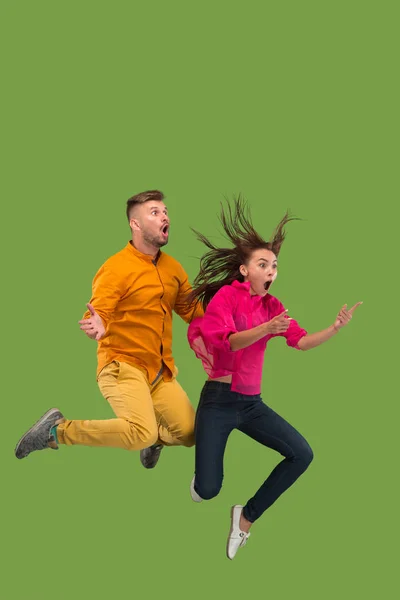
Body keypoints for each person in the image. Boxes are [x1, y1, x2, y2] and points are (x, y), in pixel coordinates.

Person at [186, 196, 362, 560]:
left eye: (275, 265)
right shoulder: (226, 299)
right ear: (244, 271)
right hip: (218, 402)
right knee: (206, 490)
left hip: (251, 404)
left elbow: (301, 340)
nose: (271, 270)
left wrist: (334, 328)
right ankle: (189, 458)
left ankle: (245, 518)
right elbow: (229, 343)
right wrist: (266, 328)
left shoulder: (273, 306)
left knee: (302, 454)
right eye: (263, 264)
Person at [15, 190, 203, 468]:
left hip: (160, 370)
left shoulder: (173, 268)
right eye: (154, 212)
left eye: (165, 211)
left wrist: (228, 316)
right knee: (141, 432)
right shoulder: (116, 268)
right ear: (135, 224)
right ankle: (57, 430)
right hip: (122, 365)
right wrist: (97, 324)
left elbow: (191, 310)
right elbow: (98, 310)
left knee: (189, 433)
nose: (165, 216)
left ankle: (154, 439)